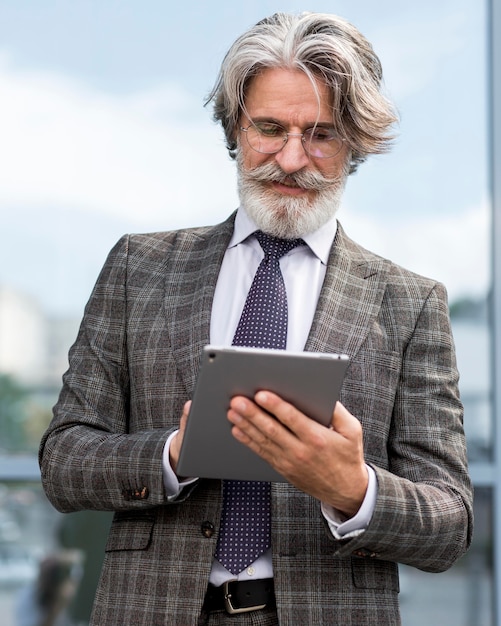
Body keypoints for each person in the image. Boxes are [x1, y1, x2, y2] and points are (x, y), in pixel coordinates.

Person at [39, 11, 473, 626]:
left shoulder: (410, 303)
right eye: (269, 128)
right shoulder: (141, 267)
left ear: (355, 144)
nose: (292, 160)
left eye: (320, 134)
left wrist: (352, 487)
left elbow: (450, 523)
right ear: (234, 129)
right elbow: (63, 461)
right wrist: (173, 456)